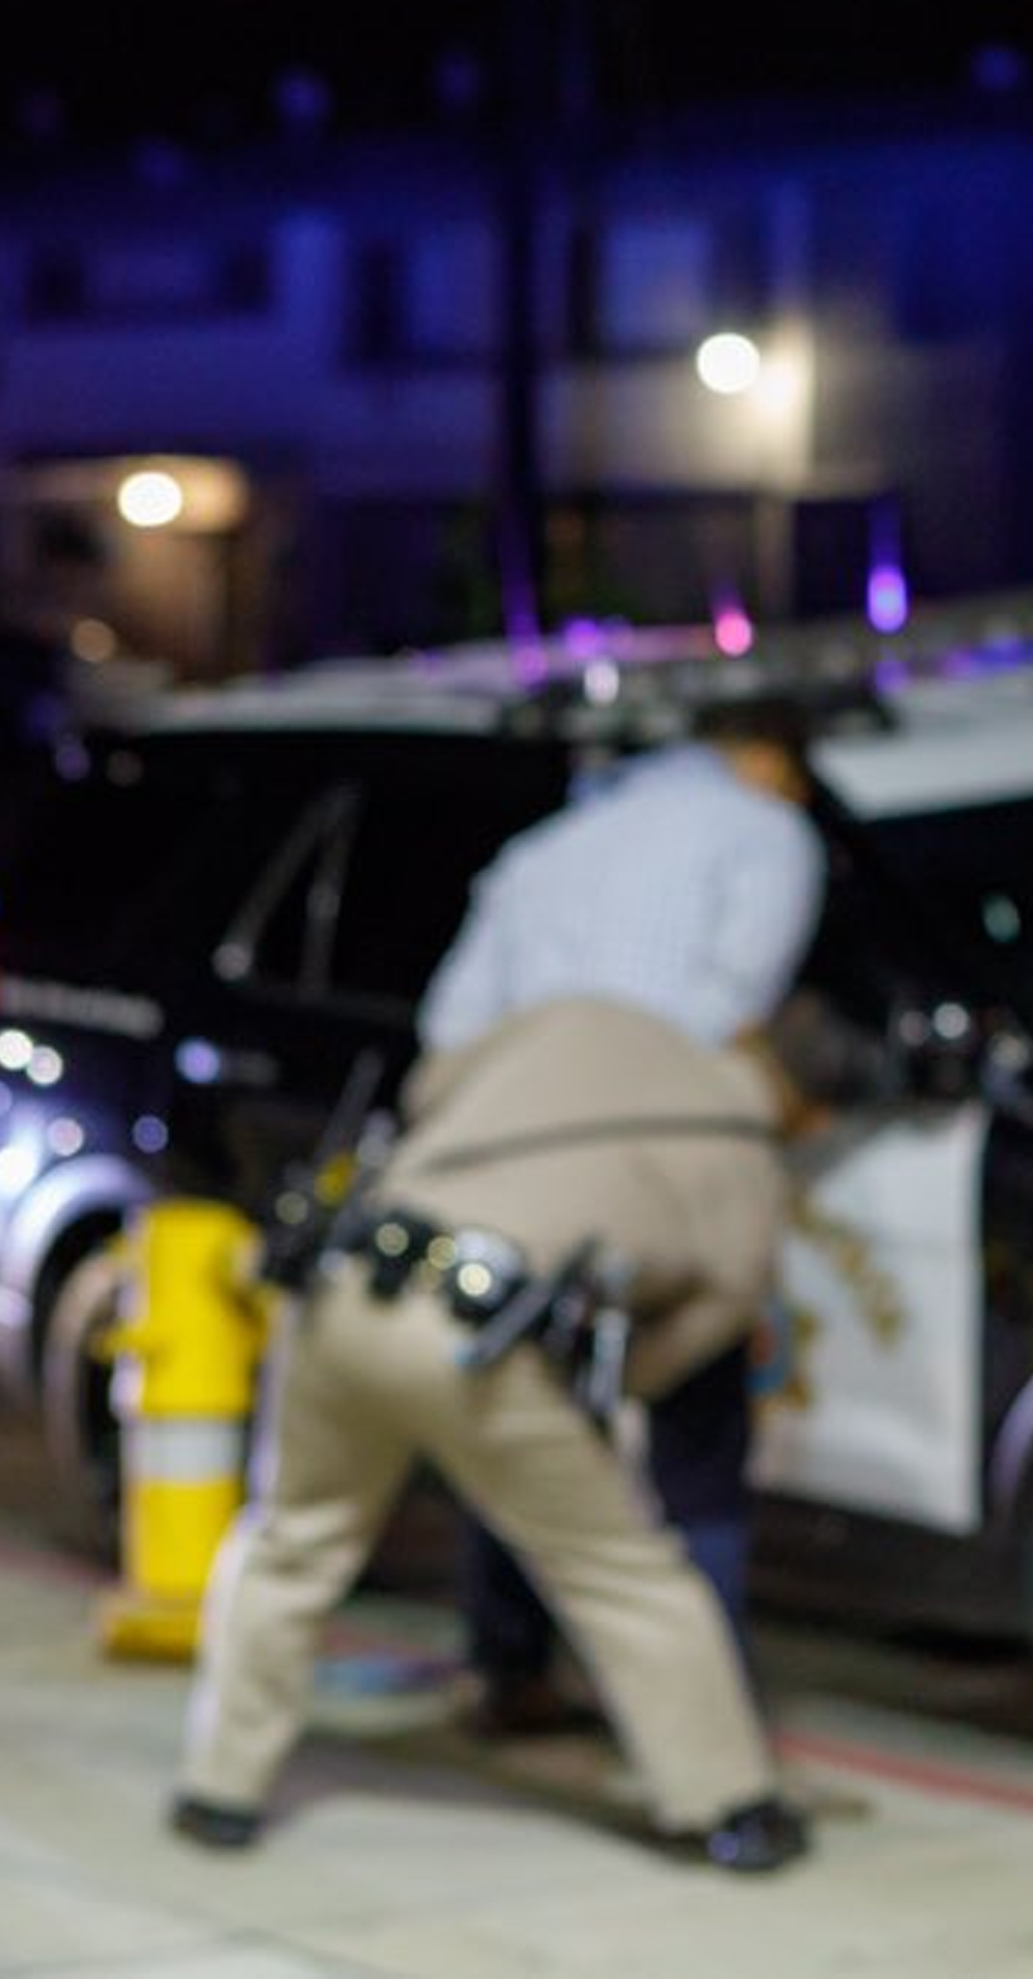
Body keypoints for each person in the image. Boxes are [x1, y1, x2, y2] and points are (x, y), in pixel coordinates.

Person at [172, 995, 809, 1869]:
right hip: (475, 1340)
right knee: (621, 1571)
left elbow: (432, 1083)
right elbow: (712, 1319)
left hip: (345, 1279)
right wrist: (605, 1390)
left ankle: (218, 1788)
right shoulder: (749, 1167)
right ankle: (731, 1803)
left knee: (291, 1538)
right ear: (811, 1111)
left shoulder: (588, 1020)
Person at [415, 697, 828, 1733]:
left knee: (519, 1411)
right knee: (696, 1437)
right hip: (657, 1163)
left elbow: (448, 1026)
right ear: (765, 754)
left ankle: (505, 1665)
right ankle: (701, 1704)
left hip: (518, 1172)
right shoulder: (766, 834)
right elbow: (730, 1016)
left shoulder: (545, 851)